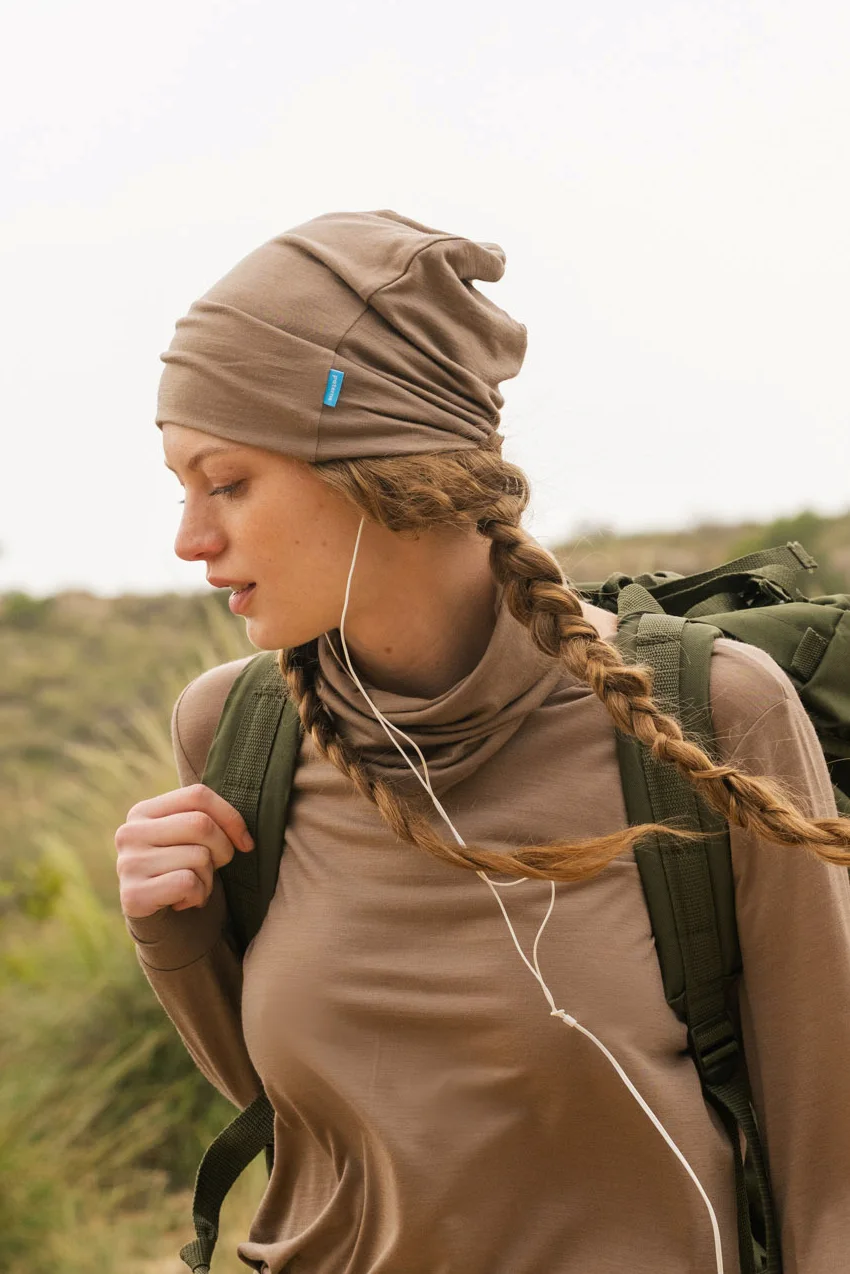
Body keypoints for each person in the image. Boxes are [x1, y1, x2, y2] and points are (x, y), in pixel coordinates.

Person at [115, 209, 850, 1274]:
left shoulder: (709, 712)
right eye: (181, 486)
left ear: (378, 464)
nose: (191, 540)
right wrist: (173, 937)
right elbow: (317, 1132)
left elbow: (829, 1177)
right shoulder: (233, 732)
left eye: (227, 482)